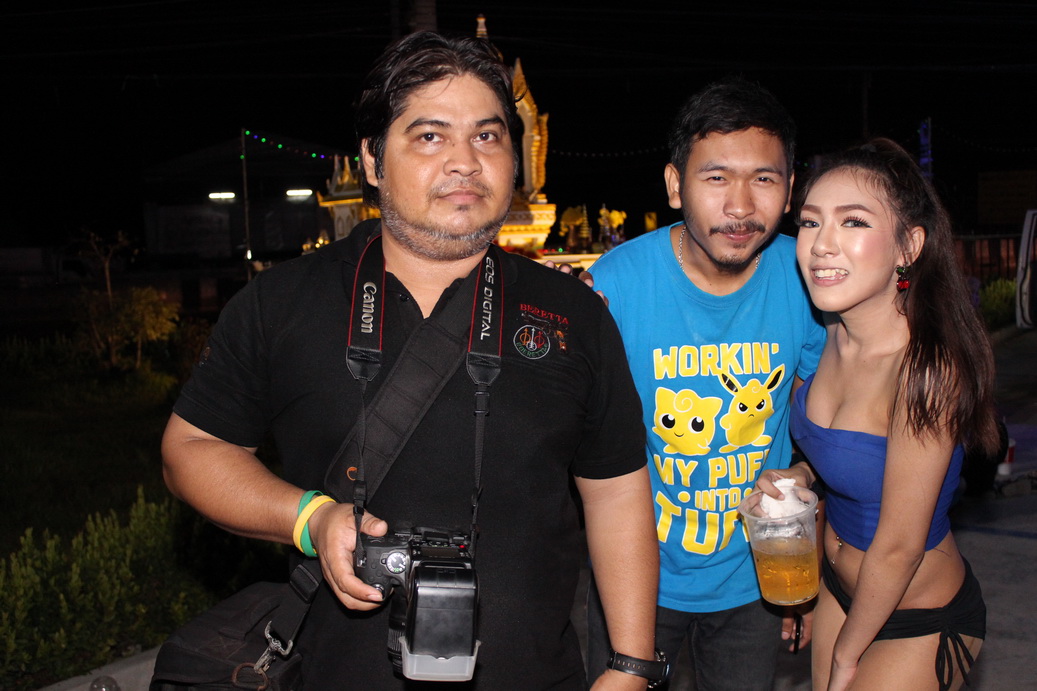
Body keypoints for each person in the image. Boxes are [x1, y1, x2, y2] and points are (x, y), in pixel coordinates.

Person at [161, 31, 661, 690]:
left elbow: (617, 490)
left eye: (487, 136)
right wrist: (309, 518)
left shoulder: (572, 313)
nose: (465, 162)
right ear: (371, 160)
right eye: (430, 136)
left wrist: (630, 665)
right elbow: (191, 450)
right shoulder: (281, 303)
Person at [584, 77, 826, 690]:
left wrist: (804, 557)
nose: (740, 206)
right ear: (675, 185)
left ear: (790, 189)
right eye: (716, 177)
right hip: (635, 577)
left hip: (756, 579)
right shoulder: (615, 285)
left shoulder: (808, 280)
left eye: (764, 179)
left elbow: (834, 424)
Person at [756, 138, 996, 690]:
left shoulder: (926, 370)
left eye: (854, 222)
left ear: (909, 246)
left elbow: (900, 545)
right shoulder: (830, 333)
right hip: (841, 591)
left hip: (919, 616)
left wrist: (847, 653)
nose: (822, 245)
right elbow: (854, 454)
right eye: (811, 222)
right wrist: (801, 475)